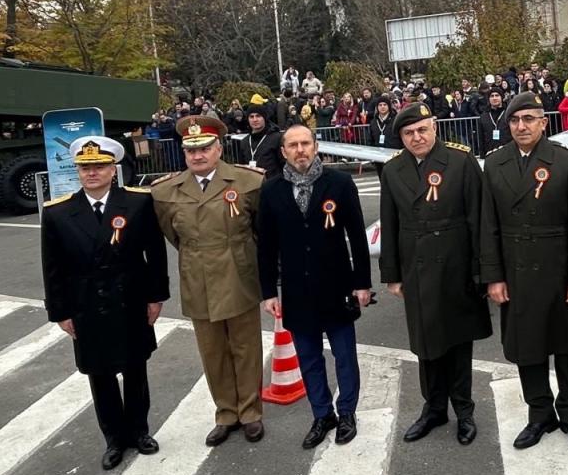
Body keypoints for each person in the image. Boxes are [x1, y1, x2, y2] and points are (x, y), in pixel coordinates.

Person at [41, 136, 169, 471]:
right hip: (86, 305)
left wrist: (156, 296)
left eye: (99, 166)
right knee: (99, 375)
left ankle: (139, 431)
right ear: (78, 172)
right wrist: (60, 312)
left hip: (129, 299)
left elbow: (154, 255)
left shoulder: (138, 204)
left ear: (113, 169)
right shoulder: (58, 212)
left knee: (135, 368)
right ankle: (114, 439)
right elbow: (52, 268)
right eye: (85, 167)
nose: (92, 173)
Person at [479, 92, 568, 453]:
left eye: (529, 119)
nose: (521, 126)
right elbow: (488, 226)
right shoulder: (496, 163)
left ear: (543, 122)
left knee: (567, 346)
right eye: (515, 121)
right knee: (527, 347)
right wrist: (493, 276)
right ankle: (539, 414)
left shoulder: (566, 162)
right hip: (516, 270)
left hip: (558, 268)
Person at [380, 103, 493, 446]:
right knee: (426, 344)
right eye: (409, 133)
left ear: (435, 128)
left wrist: (482, 270)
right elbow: (390, 223)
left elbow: (479, 220)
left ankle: (464, 410)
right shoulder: (393, 169)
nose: (417, 137)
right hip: (416, 268)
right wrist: (392, 274)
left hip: (456, 265)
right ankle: (433, 408)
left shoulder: (460, 162)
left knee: (458, 342)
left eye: (422, 130)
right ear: (401, 137)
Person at [151, 115, 267, 446]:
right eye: (191, 150)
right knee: (212, 350)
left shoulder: (249, 183)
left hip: (239, 274)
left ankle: (250, 412)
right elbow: (174, 235)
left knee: (245, 346)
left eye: (204, 148)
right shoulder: (165, 192)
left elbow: (261, 231)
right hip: (197, 278)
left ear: (219, 148)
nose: (198, 156)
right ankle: (226, 413)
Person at [258, 125, 371, 449]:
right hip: (296, 291)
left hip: (336, 285)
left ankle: (346, 411)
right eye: (292, 145)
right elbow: (265, 246)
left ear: (316, 145)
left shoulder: (339, 183)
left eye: (305, 143)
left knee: (344, 355)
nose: (300, 150)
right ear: (283, 152)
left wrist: (361, 283)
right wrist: (268, 291)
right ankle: (322, 414)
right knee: (308, 358)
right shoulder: (271, 190)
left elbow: (356, 237)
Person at [243, 98, 284, 179]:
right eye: (251, 117)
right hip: (252, 185)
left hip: (273, 183)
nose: (255, 120)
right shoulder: (244, 142)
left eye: (258, 116)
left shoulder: (276, 138)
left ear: (264, 118)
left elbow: (283, 164)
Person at [476, 88, 510, 155]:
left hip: (507, 151)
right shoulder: (483, 116)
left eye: (497, 95)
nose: (494, 98)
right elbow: (481, 137)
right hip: (490, 152)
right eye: (492, 96)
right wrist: (482, 154)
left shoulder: (508, 114)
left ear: (502, 97)